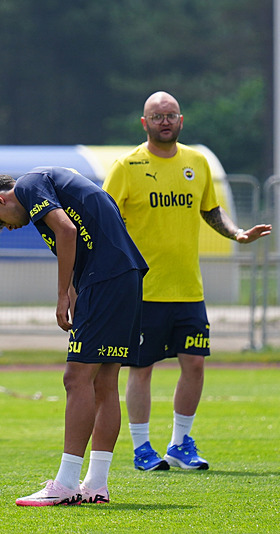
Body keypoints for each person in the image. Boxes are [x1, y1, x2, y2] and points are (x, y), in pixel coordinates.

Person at [102, 91, 272, 472]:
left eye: (171, 114)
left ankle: (180, 444)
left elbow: (211, 210)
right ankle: (142, 447)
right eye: (157, 115)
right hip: (143, 291)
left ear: (182, 121)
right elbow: (104, 218)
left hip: (188, 289)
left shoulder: (197, 162)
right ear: (144, 123)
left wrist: (238, 234)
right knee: (141, 369)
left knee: (194, 363)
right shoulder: (126, 166)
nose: (165, 120)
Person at [0, 167, 148, 506]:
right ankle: (96, 485)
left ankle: (67, 482)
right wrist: (75, 290)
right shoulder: (52, 189)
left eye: (3, 221)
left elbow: (67, 231)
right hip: (123, 274)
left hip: (107, 277)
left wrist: (61, 296)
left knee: (76, 377)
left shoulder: (29, 185)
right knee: (105, 382)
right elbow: (85, 231)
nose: (11, 227)